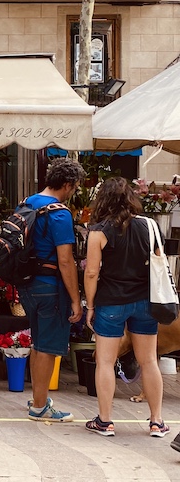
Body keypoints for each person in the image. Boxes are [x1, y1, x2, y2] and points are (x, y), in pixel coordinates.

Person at [84, 177, 167, 437]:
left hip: (111, 302)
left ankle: (105, 421)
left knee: (106, 362)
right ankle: (156, 421)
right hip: (145, 301)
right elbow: (157, 263)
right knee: (149, 360)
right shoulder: (150, 226)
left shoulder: (98, 231)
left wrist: (90, 306)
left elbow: (91, 273)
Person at [18, 157, 85, 422]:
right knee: (46, 347)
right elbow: (66, 261)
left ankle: (38, 397)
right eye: (75, 187)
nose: (74, 192)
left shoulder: (27, 202)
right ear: (67, 184)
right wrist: (76, 299)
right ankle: (39, 407)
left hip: (27, 285)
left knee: (38, 343)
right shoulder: (59, 213)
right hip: (50, 287)